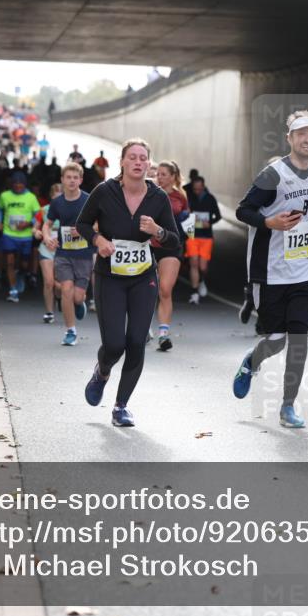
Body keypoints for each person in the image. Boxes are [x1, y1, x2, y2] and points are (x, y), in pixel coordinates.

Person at [232, 110, 308, 429]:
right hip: (273, 270)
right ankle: (252, 361)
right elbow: (243, 210)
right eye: (300, 133)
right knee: (276, 340)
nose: (307, 138)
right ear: (288, 138)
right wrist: (268, 222)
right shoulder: (272, 174)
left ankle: (288, 406)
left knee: (299, 339)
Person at [76, 138, 179, 427]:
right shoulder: (104, 191)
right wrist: (98, 240)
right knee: (114, 344)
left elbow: (175, 240)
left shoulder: (158, 197)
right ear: (122, 162)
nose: (137, 162)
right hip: (110, 277)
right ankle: (102, 372)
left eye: (143, 158)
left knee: (136, 341)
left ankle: (121, 406)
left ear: (149, 164)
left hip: (143, 278)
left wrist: (157, 231)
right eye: (132, 157)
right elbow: (82, 224)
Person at [43, 162, 95, 346]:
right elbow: (47, 224)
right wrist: (47, 237)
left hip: (84, 254)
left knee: (77, 296)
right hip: (63, 253)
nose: (72, 181)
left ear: (80, 180)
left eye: (75, 177)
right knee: (66, 290)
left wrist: (83, 230)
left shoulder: (88, 200)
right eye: (68, 177)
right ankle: (70, 331)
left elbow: (99, 224)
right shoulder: (57, 202)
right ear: (62, 180)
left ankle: (80, 303)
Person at [150, 160, 190, 351]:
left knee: (165, 289)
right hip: (148, 246)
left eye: (164, 174)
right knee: (145, 291)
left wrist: (187, 241)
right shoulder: (149, 193)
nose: (160, 177)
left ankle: (163, 335)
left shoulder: (180, 197)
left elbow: (189, 225)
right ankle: (142, 329)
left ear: (173, 177)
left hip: (171, 247)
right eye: (158, 174)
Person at [0, 170, 40, 302]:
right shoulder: (5, 196)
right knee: (10, 262)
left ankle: (21, 274)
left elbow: (38, 215)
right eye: (15, 184)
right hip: (9, 234)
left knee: (24, 264)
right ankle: (13, 290)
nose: (17, 186)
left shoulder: (31, 197)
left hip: (25, 236)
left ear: (24, 185)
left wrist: (29, 223)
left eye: (20, 184)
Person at [184, 175, 221, 304]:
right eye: (195, 189)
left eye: (199, 189)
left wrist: (209, 222)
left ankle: (201, 280)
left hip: (206, 236)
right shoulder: (188, 197)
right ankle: (194, 292)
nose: (197, 191)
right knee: (193, 262)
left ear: (203, 187)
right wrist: (187, 215)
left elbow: (218, 216)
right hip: (192, 234)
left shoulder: (210, 199)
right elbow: (183, 214)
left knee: (203, 266)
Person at [34, 183, 63, 323]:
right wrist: (38, 232)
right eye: (55, 198)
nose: (58, 201)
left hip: (63, 251)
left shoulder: (69, 211)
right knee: (49, 282)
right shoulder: (43, 211)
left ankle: (59, 296)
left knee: (60, 284)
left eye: (61, 197)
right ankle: (49, 312)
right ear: (51, 197)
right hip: (46, 249)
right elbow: (34, 229)